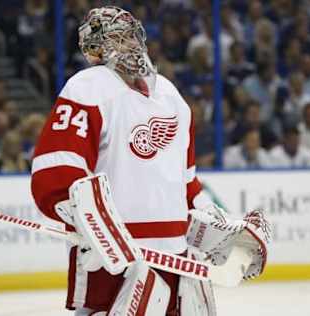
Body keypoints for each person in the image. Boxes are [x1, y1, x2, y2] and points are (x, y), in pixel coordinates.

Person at [30, 6, 269, 316]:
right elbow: (56, 171)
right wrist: (92, 225)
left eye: (132, 36)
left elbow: (186, 185)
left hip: (176, 260)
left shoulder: (170, 96)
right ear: (94, 50)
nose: (129, 45)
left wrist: (219, 224)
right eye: (117, 38)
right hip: (113, 259)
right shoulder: (88, 87)